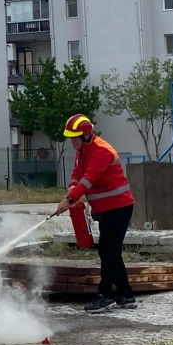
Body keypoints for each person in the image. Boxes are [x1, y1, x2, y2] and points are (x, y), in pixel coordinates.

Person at [54, 113, 136, 313]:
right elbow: (77, 174)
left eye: (74, 137)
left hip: (118, 208)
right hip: (106, 208)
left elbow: (89, 179)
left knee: (108, 251)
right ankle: (126, 295)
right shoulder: (83, 149)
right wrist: (71, 189)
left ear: (86, 134)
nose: (71, 141)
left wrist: (69, 200)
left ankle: (106, 295)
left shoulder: (101, 151)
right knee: (111, 252)